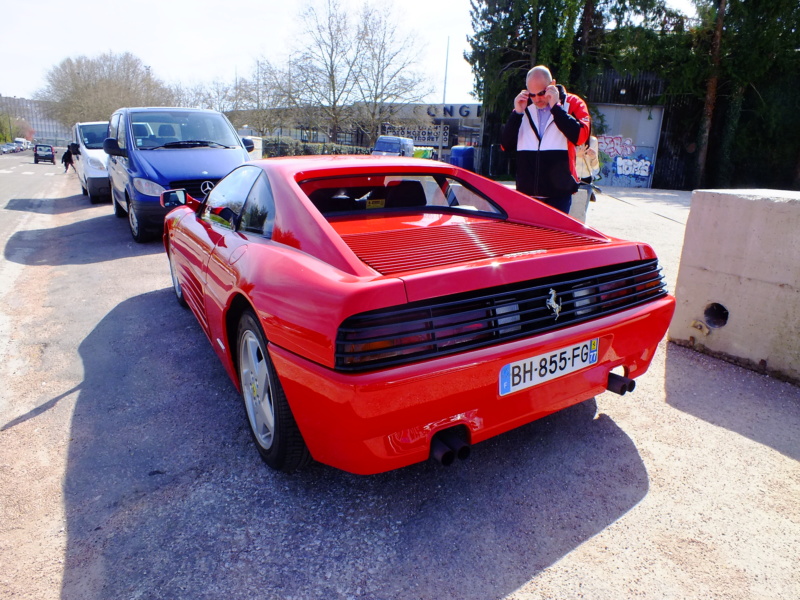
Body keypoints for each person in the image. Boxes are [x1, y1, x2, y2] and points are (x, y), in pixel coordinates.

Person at [501, 65, 591, 214]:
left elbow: (580, 137)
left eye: (541, 93)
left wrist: (556, 107)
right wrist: (516, 114)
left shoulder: (573, 103)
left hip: (559, 194)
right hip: (527, 193)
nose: (537, 99)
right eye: (532, 94)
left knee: (554, 237)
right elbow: (505, 145)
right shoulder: (524, 107)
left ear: (552, 85)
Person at [571, 135, 600, 223]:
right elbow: (563, 160)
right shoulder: (570, 138)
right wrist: (576, 155)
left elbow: (596, 167)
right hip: (571, 180)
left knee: (581, 216)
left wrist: (593, 157)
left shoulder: (593, 140)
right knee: (568, 214)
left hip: (586, 182)